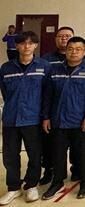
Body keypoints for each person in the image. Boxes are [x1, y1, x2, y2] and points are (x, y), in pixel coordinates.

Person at [41, 36, 85, 200]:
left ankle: (84, 182)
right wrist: (46, 117)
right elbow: (48, 96)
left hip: (79, 121)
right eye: (70, 49)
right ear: (66, 51)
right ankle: (57, 182)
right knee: (57, 154)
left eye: (78, 49)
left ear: (84, 52)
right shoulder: (55, 71)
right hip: (58, 120)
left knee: (82, 154)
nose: (74, 52)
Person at [0, 31, 51, 205]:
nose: (26, 46)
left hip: (33, 119)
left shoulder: (44, 67)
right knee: (10, 156)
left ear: (35, 45)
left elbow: (47, 94)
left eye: (30, 43)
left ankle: (31, 185)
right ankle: (14, 187)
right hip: (11, 119)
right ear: (16, 46)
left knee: (35, 154)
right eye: (22, 43)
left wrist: (45, 117)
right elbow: (5, 93)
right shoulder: (6, 68)